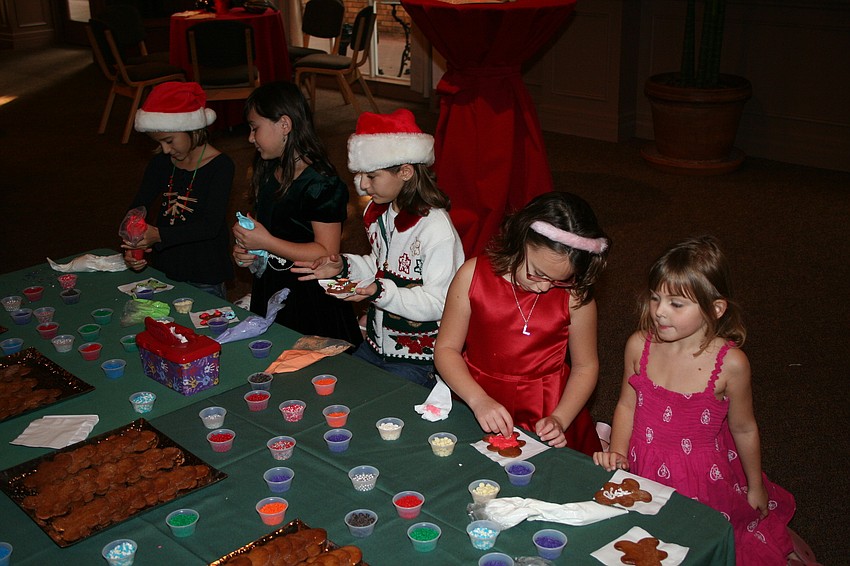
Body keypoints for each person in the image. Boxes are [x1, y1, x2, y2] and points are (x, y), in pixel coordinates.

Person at [592, 236, 798, 566]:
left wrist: (755, 484)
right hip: (642, 463)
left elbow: (744, 429)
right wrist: (617, 453)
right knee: (641, 543)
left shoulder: (731, 364)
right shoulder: (638, 345)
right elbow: (627, 405)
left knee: (691, 546)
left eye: (676, 304)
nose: (659, 311)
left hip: (701, 478)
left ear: (714, 308)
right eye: (656, 298)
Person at [294, 109, 464, 386]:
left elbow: (441, 303)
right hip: (375, 345)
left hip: (418, 358)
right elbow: (380, 266)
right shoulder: (380, 213)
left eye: (371, 176)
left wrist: (380, 291)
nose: (361, 185)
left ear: (406, 171)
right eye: (360, 175)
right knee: (340, 387)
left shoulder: (436, 229)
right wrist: (344, 266)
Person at [434, 192, 609, 454]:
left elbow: (585, 365)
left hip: (547, 407)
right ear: (520, 239)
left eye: (559, 280)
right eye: (537, 273)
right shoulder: (472, 275)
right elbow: (446, 349)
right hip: (476, 396)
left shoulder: (575, 297)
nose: (544, 287)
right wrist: (478, 399)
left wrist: (561, 417)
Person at [232, 81, 361, 344]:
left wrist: (265, 242)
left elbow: (326, 251)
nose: (250, 138)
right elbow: (270, 230)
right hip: (271, 288)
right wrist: (250, 251)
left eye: (255, 128)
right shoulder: (268, 170)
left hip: (310, 298)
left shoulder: (321, 184)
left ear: (284, 125)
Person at [123, 81, 234, 299]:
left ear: (192, 128)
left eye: (169, 141)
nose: (165, 149)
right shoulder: (161, 163)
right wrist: (133, 242)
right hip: (165, 269)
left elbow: (210, 226)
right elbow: (137, 207)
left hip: (205, 273)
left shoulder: (221, 166)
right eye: (160, 143)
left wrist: (158, 235)